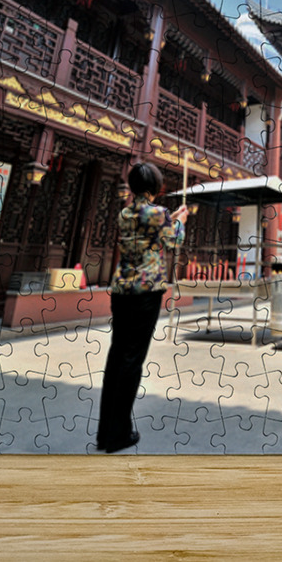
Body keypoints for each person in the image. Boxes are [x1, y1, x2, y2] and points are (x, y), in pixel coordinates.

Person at [95, 161, 187, 453]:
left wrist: (168, 219)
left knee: (117, 356)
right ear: (155, 187)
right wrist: (180, 221)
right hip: (145, 293)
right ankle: (119, 434)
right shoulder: (158, 214)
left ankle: (105, 433)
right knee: (133, 361)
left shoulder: (125, 212)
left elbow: (150, 231)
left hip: (121, 290)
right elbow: (173, 242)